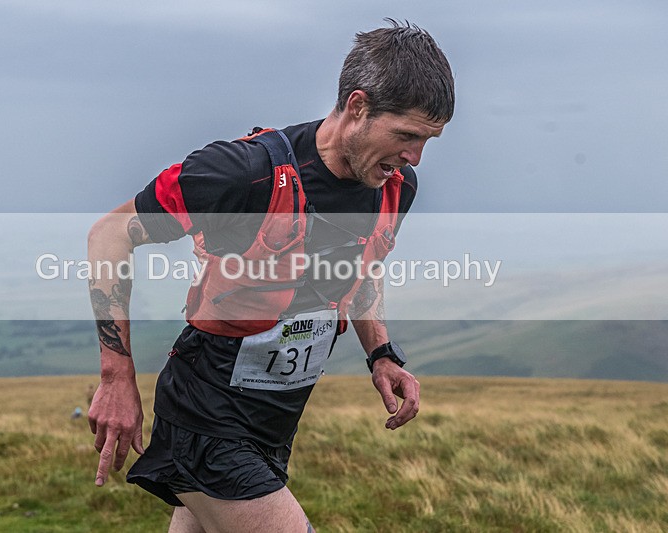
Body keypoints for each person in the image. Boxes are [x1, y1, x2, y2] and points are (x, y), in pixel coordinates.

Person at [87, 19, 454, 532]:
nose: (414, 157)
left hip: (274, 423)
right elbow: (110, 234)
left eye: (428, 140)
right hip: (206, 411)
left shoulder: (394, 187)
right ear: (357, 107)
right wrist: (116, 376)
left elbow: (362, 273)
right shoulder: (243, 173)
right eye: (407, 136)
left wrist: (381, 353)